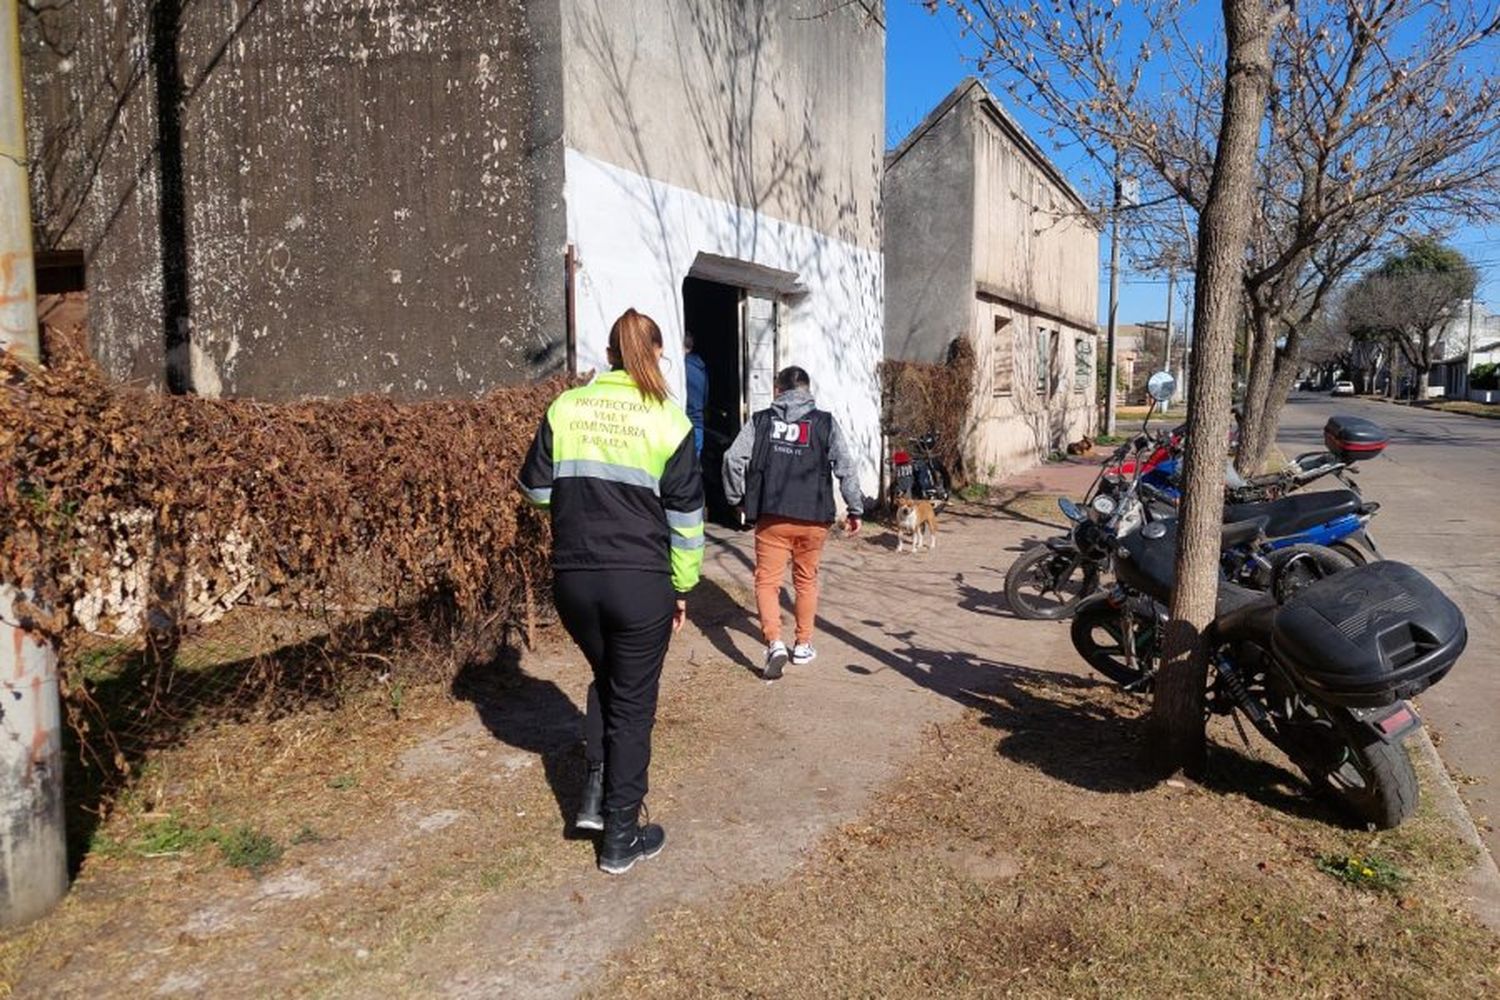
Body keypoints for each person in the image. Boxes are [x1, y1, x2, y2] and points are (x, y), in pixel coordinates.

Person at [519, 308, 704, 874]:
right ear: (657, 354)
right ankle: (622, 838)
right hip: (640, 583)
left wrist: (578, 508)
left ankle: (595, 802)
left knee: (609, 680)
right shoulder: (668, 421)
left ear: (611, 352)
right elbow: (687, 518)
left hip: (574, 582)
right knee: (633, 705)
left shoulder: (567, 406)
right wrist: (683, 586)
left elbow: (534, 489)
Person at [722, 366, 863, 680]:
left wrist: (736, 498)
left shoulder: (760, 421)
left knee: (767, 582)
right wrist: (855, 508)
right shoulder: (824, 422)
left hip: (772, 516)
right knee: (805, 581)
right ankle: (802, 644)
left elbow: (733, 458)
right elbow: (846, 466)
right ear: (807, 391)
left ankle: (774, 643)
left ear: (777, 391)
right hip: (813, 517)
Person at [683, 332, 709, 455]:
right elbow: (705, 397)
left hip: (682, 424)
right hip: (698, 424)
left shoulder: (680, 367)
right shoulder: (701, 368)